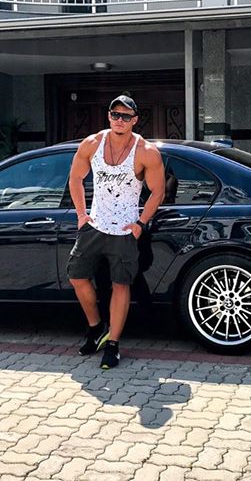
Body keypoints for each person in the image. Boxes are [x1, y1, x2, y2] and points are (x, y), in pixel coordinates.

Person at [67, 95, 165, 369]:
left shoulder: (146, 151)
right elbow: (75, 177)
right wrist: (81, 214)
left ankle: (113, 344)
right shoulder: (92, 143)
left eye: (125, 116)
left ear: (135, 120)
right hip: (94, 226)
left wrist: (140, 223)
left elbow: (158, 191)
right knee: (77, 276)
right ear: (109, 116)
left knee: (121, 284)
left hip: (124, 231)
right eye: (115, 114)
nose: (119, 120)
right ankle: (96, 327)